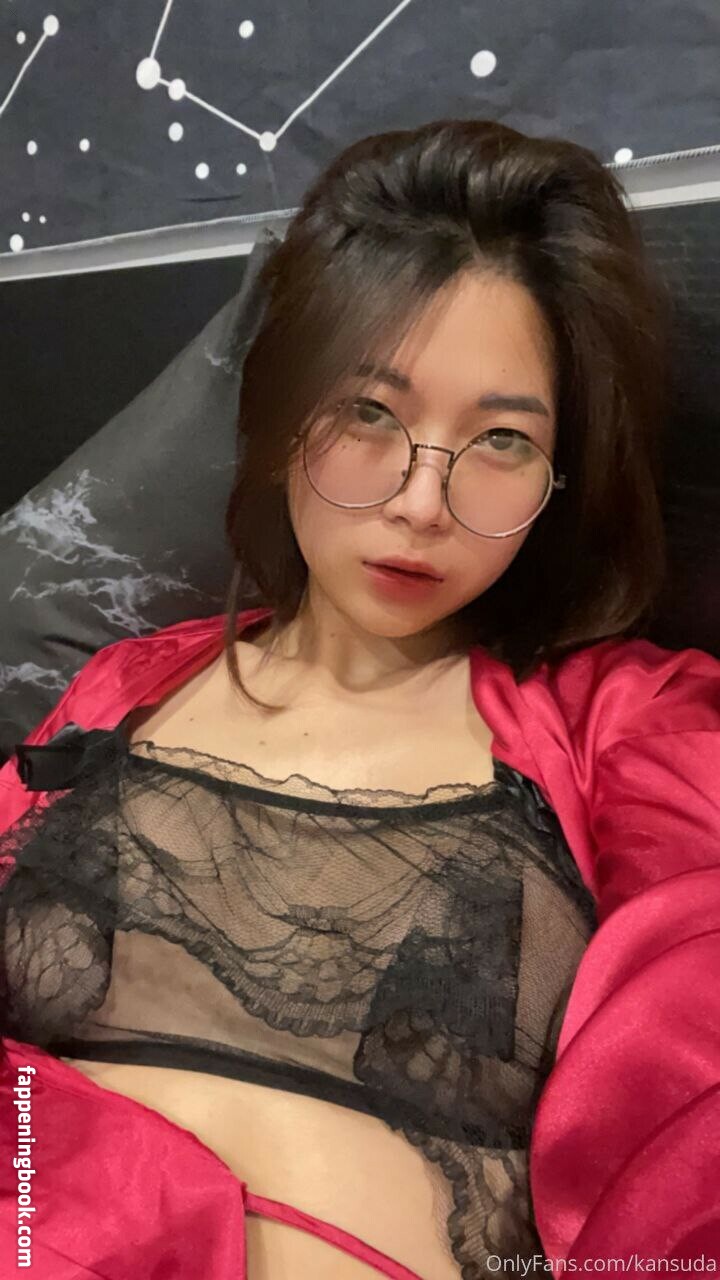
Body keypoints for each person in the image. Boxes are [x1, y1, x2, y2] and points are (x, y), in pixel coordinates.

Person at [1, 118, 719, 1280]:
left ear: (559, 477)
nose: (422, 502)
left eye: (501, 439)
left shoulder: (625, 725)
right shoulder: (123, 685)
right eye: (372, 413)